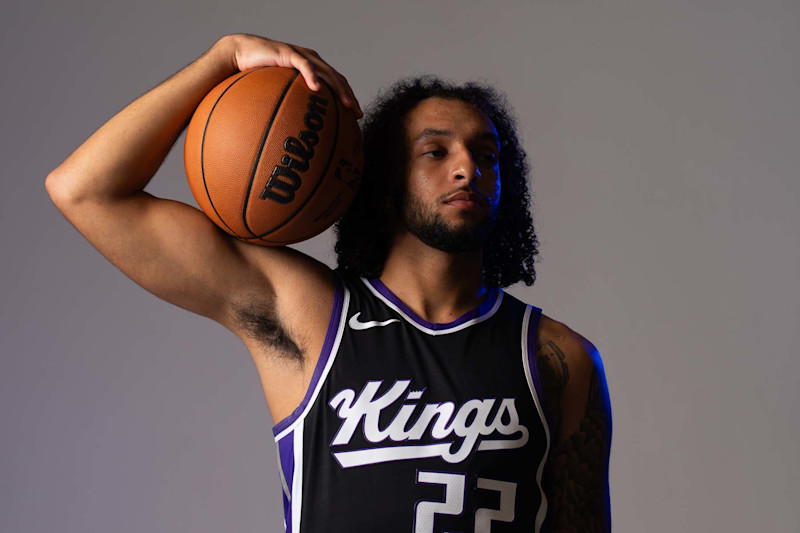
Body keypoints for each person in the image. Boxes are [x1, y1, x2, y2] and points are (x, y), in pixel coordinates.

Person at [46, 33, 612, 532]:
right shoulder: (309, 316)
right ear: (388, 180)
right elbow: (86, 191)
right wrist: (223, 59)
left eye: (485, 154)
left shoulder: (557, 359)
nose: (467, 168)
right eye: (436, 151)